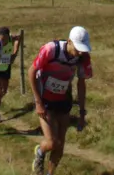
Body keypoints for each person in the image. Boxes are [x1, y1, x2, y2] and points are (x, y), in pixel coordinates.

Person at [29, 26, 93, 175]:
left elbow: (81, 84)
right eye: (77, 48)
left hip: (63, 99)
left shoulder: (83, 57)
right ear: (69, 41)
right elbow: (31, 72)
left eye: (83, 49)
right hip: (45, 99)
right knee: (52, 142)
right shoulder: (51, 50)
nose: (80, 52)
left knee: (60, 146)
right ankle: (40, 151)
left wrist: (82, 113)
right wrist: (38, 102)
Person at [0, 26, 21, 124]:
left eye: (4, 39)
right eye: (1, 39)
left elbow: (18, 38)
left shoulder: (10, 39)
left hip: (6, 67)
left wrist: (15, 53)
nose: (2, 41)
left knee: (4, 91)